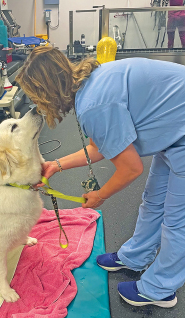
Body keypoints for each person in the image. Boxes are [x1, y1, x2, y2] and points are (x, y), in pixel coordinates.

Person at [15, 46, 185, 308]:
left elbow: (131, 168)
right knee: (154, 202)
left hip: (179, 132)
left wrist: (100, 195)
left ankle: (160, 289)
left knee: (177, 221)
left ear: (47, 90)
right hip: (173, 133)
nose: (37, 105)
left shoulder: (95, 105)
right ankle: (136, 256)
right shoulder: (90, 84)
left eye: (36, 97)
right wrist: (54, 165)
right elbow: (98, 149)